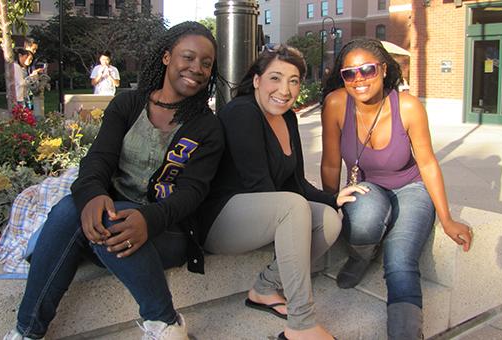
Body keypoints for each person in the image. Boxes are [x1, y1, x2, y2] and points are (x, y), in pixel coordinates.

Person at [3, 21, 224, 340]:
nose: (197, 68)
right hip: (109, 222)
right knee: (72, 211)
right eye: (187, 57)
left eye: (206, 63)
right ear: (166, 57)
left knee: (96, 216)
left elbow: (193, 193)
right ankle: (26, 332)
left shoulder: (207, 127)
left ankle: (163, 320)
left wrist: (148, 218)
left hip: (167, 231)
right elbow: (98, 159)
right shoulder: (128, 104)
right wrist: (92, 194)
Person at [197, 45, 366, 340]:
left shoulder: (288, 118)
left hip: (266, 212)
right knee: (293, 207)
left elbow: (295, 182)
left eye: (294, 81)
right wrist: (295, 218)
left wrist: (331, 199)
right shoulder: (242, 113)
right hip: (218, 219)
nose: (285, 90)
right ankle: (301, 324)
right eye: (275, 78)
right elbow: (259, 186)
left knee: (329, 220)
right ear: (257, 80)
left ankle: (263, 288)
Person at [320, 38, 473, 339]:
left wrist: (447, 218)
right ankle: (361, 255)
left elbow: (427, 163)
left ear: (384, 68)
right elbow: (329, 163)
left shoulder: (408, 106)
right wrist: (330, 205)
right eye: (349, 73)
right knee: (367, 213)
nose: (359, 79)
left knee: (401, 260)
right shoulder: (336, 104)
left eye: (367, 69)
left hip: (410, 188)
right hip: (367, 189)